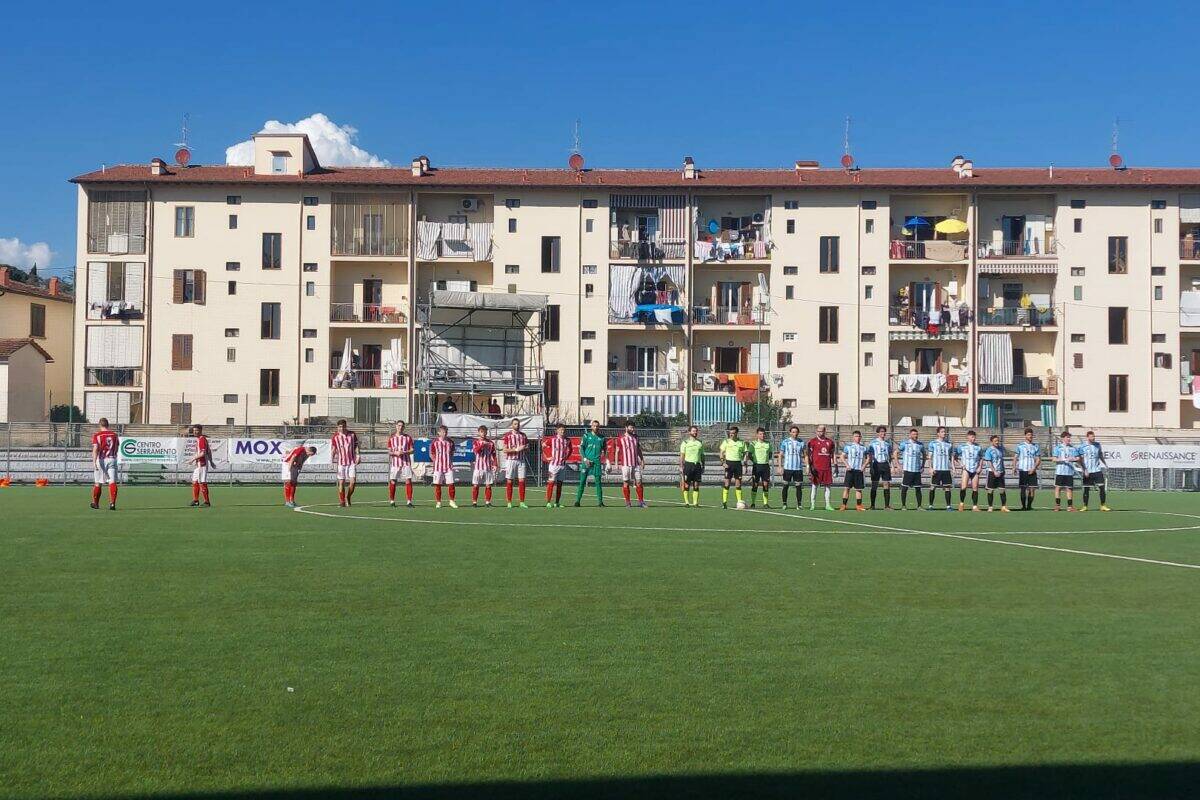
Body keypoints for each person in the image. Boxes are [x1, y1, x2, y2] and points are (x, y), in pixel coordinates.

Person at [574, 420, 608, 506]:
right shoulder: (586, 436)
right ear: (591, 427)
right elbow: (581, 448)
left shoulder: (602, 438)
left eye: (597, 426)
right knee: (582, 481)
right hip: (586, 462)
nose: (596, 427)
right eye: (594, 426)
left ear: (599, 427)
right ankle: (577, 501)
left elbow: (605, 450)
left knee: (598, 482)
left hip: (596, 463)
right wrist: (585, 459)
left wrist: (607, 461)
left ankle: (600, 502)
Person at [1078, 430, 1111, 512]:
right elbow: (1080, 460)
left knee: (1102, 487)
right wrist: (1084, 469)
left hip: (1097, 470)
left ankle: (1102, 505)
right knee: (1086, 489)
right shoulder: (1082, 446)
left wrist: (1105, 464)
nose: (1093, 438)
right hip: (1087, 471)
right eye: (1092, 436)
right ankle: (1085, 506)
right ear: (1088, 437)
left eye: (1094, 436)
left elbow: (1100, 455)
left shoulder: (1097, 445)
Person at [615, 422, 646, 508]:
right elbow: (617, 451)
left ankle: (641, 501)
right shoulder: (620, 438)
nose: (633, 429)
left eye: (633, 428)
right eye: (631, 428)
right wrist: (616, 463)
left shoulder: (636, 437)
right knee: (626, 482)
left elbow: (639, 450)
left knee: (639, 482)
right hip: (625, 464)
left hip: (636, 464)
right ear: (626, 427)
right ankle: (628, 502)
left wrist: (642, 460)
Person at [90, 417, 119, 510]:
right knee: (112, 482)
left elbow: (95, 450)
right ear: (108, 425)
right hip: (112, 459)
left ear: (100, 425)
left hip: (101, 460)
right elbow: (117, 447)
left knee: (98, 483)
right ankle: (112, 503)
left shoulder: (97, 435)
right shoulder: (114, 435)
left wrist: (94, 462)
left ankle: (96, 503)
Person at [331, 419, 360, 507]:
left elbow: (356, 446)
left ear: (346, 426)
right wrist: (331, 461)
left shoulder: (352, 434)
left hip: (351, 462)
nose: (342, 428)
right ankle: (342, 501)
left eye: (343, 426)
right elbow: (333, 449)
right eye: (340, 427)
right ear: (337, 427)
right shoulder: (335, 436)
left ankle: (348, 497)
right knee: (341, 482)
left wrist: (358, 456)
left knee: (353, 482)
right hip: (341, 463)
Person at [501, 418, 530, 508]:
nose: (517, 425)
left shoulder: (523, 435)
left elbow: (527, 448)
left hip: (521, 460)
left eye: (518, 424)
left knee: (522, 480)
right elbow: (504, 450)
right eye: (515, 424)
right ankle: (509, 502)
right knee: (510, 480)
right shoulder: (507, 435)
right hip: (511, 460)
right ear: (512, 425)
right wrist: (516, 449)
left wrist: (525, 448)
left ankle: (522, 502)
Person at [806, 425, 835, 511]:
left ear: (824, 431)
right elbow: (808, 455)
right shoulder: (812, 442)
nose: (820, 432)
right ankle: (813, 504)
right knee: (814, 486)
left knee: (828, 486)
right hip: (816, 468)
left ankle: (828, 504)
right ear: (816, 431)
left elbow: (832, 455)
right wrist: (809, 466)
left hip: (827, 468)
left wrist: (835, 465)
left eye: (821, 431)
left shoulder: (830, 442)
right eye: (818, 431)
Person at [718, 425, 748, 509]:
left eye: (733, 433)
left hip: (738, 464)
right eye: (730, 433)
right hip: (729, 464)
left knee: (738, 484)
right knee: (727, 483)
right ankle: (724, 502)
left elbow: (746, 453)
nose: (731, 435)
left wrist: (745, 464)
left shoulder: (741, 442)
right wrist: (722, 462)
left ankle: (739, 501)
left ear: (737, 433)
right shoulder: (726, 442)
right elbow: (721, 452)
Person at [838, 430, 868, 511]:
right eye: (856, 436)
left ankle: (859, 505)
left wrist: (864, 466)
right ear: (853, 437)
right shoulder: (848, 446)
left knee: (859, 489)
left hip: (859, 470)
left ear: (861, 437)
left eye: (859, 436)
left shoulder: (864, 448)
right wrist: (847, 465)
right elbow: (842, 456)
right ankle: (844, 505)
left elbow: (869, 458)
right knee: (847, 488)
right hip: (850, 470)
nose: (857, 438)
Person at [387, 421, 415, 508]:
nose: (400, 427)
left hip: (406, 462)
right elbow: (389, 451)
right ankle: (392, 501)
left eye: (402, 426)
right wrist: (395, 453)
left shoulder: (408, 437)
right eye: (399, 426)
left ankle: (409, 502)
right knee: (393, 481)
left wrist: (404, 452)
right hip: (395, 463)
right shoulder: (391, 438)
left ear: (404, 427)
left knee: (408, 480)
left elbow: (412, 450)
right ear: (396, 426)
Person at [429, 425, 458, 508]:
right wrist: (435, 461)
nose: (444, 433)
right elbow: (431, 453)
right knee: (438, 484)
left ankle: (452, 501)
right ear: (439, 432)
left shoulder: (450, 442)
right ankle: (438, 502)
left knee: (451, 484)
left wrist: (450, 460)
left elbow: (452, 453)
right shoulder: (434, 442)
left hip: (448, 466)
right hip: (438, 467)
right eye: (442, 432)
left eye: (446, 432)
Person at [897, 428, 926, 510]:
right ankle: (903, 506)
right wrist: (898, 465)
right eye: (913, 434)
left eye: (916, 434)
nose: (915, 436)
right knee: (905, 488)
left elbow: (924, 455)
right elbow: (895, 453)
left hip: (917, 470)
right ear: (910, 435)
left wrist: (923, 466)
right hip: (908, 470)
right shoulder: (905, 444)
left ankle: (919, 506)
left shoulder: (920, 445)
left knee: (918, 489)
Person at [778, 426, 805, 510]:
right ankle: (784, 504)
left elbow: (806, 455)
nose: (795, 433)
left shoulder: (801, 442)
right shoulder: (785, 442)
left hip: (798, 468)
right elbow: (780, 455)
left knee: (798, 486)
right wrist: (780, 466)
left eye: (796, 432)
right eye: (793, 432)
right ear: (790, 433)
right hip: (788, 468)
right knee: (785, 486)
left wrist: (807, 466)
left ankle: (799, 505)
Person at [955, 430, 983, 512]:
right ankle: (961, 504)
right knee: (963, 487)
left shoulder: (978, 447)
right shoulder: (962, 446)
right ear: (968, 437)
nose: (974, 438)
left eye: (974, 437)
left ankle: (974, 506)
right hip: (966, 469)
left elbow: (981, 457)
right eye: (972, 437)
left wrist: (980, 467)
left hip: (975, 469)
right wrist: (961, 464)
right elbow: (955, 456)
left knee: (975, 488)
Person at [927, 427, 954, 511]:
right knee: (933, 487)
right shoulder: (933, 443)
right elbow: (929, 457)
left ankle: (948, 506)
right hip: (936, 469)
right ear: (938, 433)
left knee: (947, 487)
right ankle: (931, 506)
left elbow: (951, 457)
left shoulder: (949, 444)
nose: (944, 433)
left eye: (944, 432)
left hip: (946, 469)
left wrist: (953, 467)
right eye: (942, 432)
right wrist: (930, 468)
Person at [1052, 430, 1079, 512]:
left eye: (1069, 437)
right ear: (1063, 438)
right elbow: (1053, 459)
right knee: (1058, 488)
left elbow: (1078, 458)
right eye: (1067, 437)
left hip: (1069, 472)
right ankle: (1057, 506)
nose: (1069, 439)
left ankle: (1070, 506)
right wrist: (1062, 459)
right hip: (1060, 471)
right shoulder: (1058, 448)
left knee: (1069, 489)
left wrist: (1073, 459)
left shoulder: (1073, 448)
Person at [545, 423, 571, 508]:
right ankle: (548, 502)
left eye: (564, 430)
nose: (562, 431)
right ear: (557, 430)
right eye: (561, 430)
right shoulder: (552, 439)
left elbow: (570, 450)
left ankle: (557, 502)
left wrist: (566, 457)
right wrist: (547, 457)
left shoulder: (567, 440)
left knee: (560, 484)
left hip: (562, 466)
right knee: (551, 483)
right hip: (553, 466)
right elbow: (543, 446)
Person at [867, 426, 894, 510]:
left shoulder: (887, 444)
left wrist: (892, 466)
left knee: (886, 484)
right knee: (874, 485)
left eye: (884, 432)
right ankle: (872, 505)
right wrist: (871, 467)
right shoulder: (872, 443)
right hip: (876, 464)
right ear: (878, 433)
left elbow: (890, 456)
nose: (883, 433)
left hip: (885, 465)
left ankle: (886, 506)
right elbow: (870, 456)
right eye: (881, 432)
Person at [471, 425, 498, 507]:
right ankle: (474, 502)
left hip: (487, 467)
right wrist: (482, 445)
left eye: (485, 432)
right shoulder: (475, 442)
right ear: (479, 432)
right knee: (476, 485)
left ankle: (487, 502)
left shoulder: (491, 443)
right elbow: (476, 451)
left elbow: (494, 455)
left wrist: (495, 464)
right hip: (478, 467)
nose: (483, 433)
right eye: (481, 432)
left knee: (488, 485)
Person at [1015, 427, 1042, 510]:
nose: (1030, 436)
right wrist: (1014, 467)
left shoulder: (1035, 446)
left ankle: (1029, 506)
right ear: (1025, 436)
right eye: (1028, 435)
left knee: (1032, 489)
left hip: (1032, 470)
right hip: (1023, 470)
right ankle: (1023, 506)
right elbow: (1015, 457)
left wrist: (1034, 468)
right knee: (1023, 489)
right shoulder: (1020, 446)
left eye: (1031, 435)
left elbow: (1038, 459)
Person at [982, 435, 1010, 512]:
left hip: (1000, 472)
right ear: (992, 442)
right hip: (991, 472)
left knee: (1002, 490)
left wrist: (1003, 470)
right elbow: (989, 462)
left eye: (998, 440)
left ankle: (1003, 507)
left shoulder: (1001, 449)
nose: (997, 442)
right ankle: (990, 507)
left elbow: (1001, 460)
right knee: (990, 490)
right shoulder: (989, 450)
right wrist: (994, 471)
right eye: (995, 441)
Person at [679, 424, 705, 507]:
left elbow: (702, 455)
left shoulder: (700, 442)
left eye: (696, 431)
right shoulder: (685, 442)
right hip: (688, 465)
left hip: (697, 465)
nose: (695, 432)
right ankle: (687, 502)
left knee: (696, 485)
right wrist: (681, 466)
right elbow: (682, 455)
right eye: (693, 431)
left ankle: (695, 503)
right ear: (689, 432)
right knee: (687, 484)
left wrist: (703, 465)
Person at [747, 428, 773, 508]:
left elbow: (770, 454)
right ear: (757, 435)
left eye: (764, 434)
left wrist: (766, 461)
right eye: (761, 434)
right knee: (755, 484)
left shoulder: (768, 444)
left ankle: (765, 503)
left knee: (765, 485)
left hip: (765, 466)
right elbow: (749, 455)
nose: (762, 435)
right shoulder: (753, 444)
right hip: (756, 466)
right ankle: (753, 503)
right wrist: (755, 461)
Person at [189, 424, 213, 508]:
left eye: (197, 430)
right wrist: (211, 461)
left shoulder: (202, 439)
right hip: (198, 464)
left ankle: (207, 502)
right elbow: (209, 451)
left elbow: (203, 453)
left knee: (202, 482)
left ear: (201, 431)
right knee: (195, 481)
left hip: (202, 464)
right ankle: (196, 500)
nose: (195, 432)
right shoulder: (200, 439)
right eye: (194, 430)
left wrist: (193, 459)